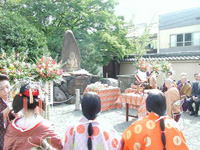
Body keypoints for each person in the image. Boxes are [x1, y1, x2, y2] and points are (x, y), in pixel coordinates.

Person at [3, 82, 63, 150]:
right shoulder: (46, 127)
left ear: (20, 102)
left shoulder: (11, 127)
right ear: (39, 104)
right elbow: (58, 147)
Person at [122, 90, 189, 150]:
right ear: (165, 106)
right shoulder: (175, 125)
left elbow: (126, 144)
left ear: (147, 107)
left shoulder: (137, 126)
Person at [0, 74, 15, 150]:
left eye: (7, 87)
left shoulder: (8, 100)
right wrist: (8, 109)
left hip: (9, 140)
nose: (6, 91)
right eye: (1, 89)